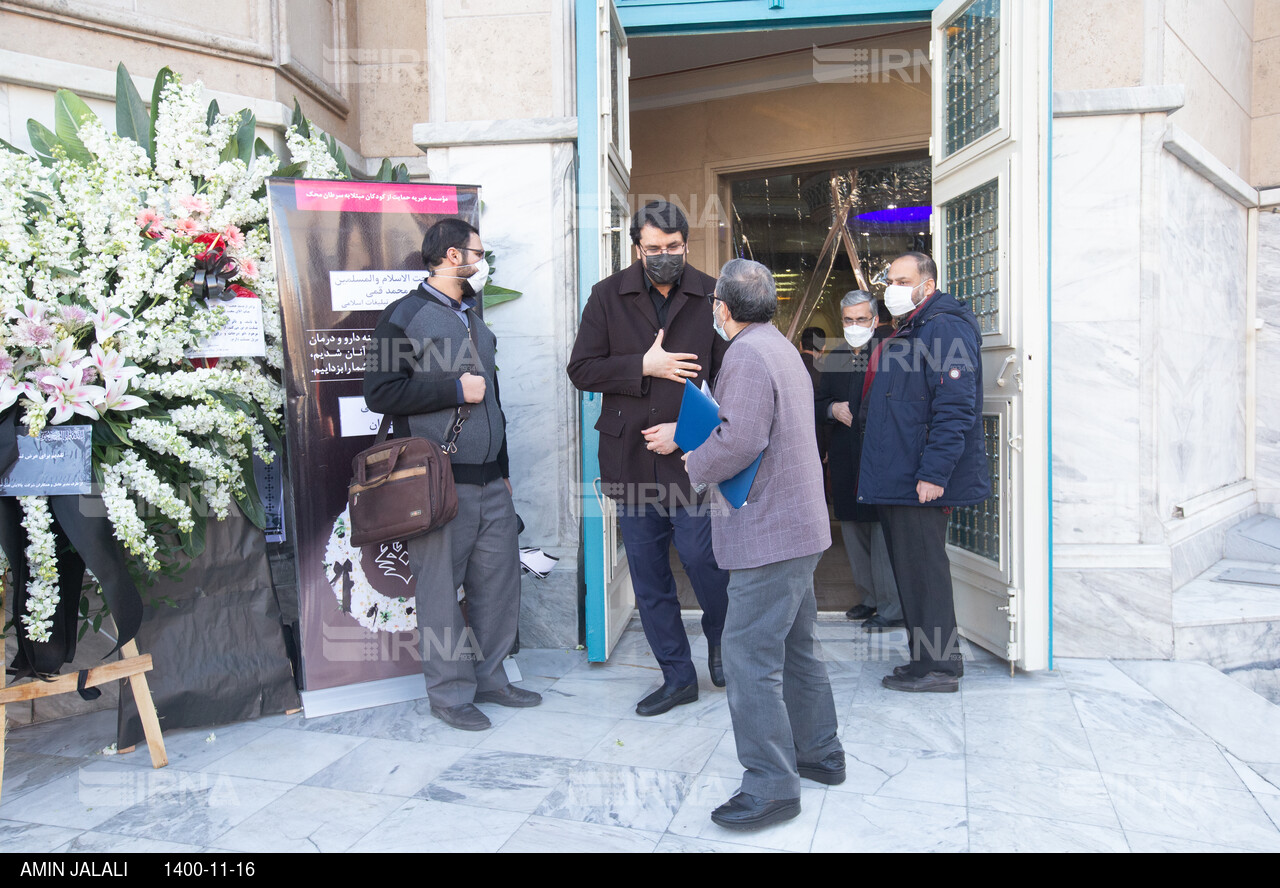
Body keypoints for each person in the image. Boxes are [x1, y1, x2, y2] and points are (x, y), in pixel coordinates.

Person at [363, 218, 541, 731]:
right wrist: (452, 391)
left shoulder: (474, 317)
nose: (481, 261)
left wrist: (504, 470)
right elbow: (380, 392)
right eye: (475, 253)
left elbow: (495, 400)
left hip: (490, 482)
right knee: (440, 592)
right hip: (438, 483)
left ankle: (492, 679)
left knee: (499, 583)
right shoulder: (403, 316)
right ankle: (449, 695)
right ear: (447, 255)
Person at [684, 258, 844, 831]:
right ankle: (820, 753)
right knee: (798, 647)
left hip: (770, 533)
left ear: (722, 309)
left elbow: (742, 439)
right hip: (798, 527)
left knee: (750, 658)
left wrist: (694, 460)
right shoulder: (779, 346)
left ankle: (773, 786)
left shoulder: (745, 355)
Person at [567, 200, 731, 717]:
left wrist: (688, 433)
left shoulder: (713, 296)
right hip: (630, 459)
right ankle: (677, 675)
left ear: (687, 243)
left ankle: (724, 642)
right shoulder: (607, 295)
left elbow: (735, 381)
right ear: (637, 247)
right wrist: (644, 364)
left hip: (693, 460)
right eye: (653, 248)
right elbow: (582, 370)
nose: (664, 256)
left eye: (674, 247)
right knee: (646, 571)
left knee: (704, 558)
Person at [857, 251, 990, 693]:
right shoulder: (914, 328)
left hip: (920, 480)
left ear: (927, 285)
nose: (891, 288)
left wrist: (934, 474)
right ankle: (926, 660)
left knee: (926, 575)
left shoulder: (945, 327)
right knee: (913, 574)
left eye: (902, 279)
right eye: (889, 280)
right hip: (901, 476)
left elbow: (956, 408)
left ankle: (939, 669)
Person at [815, 291, 903, 631]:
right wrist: (831, 409)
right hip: (845, 456)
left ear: (875, 320)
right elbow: (818, 400)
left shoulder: (892, 352)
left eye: (861, 319)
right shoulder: (836, 355)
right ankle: (868, 599)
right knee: (852, 529)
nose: (854, 326)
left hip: (881, 458)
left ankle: (891, 606)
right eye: (848, 320)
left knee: (882, 533)